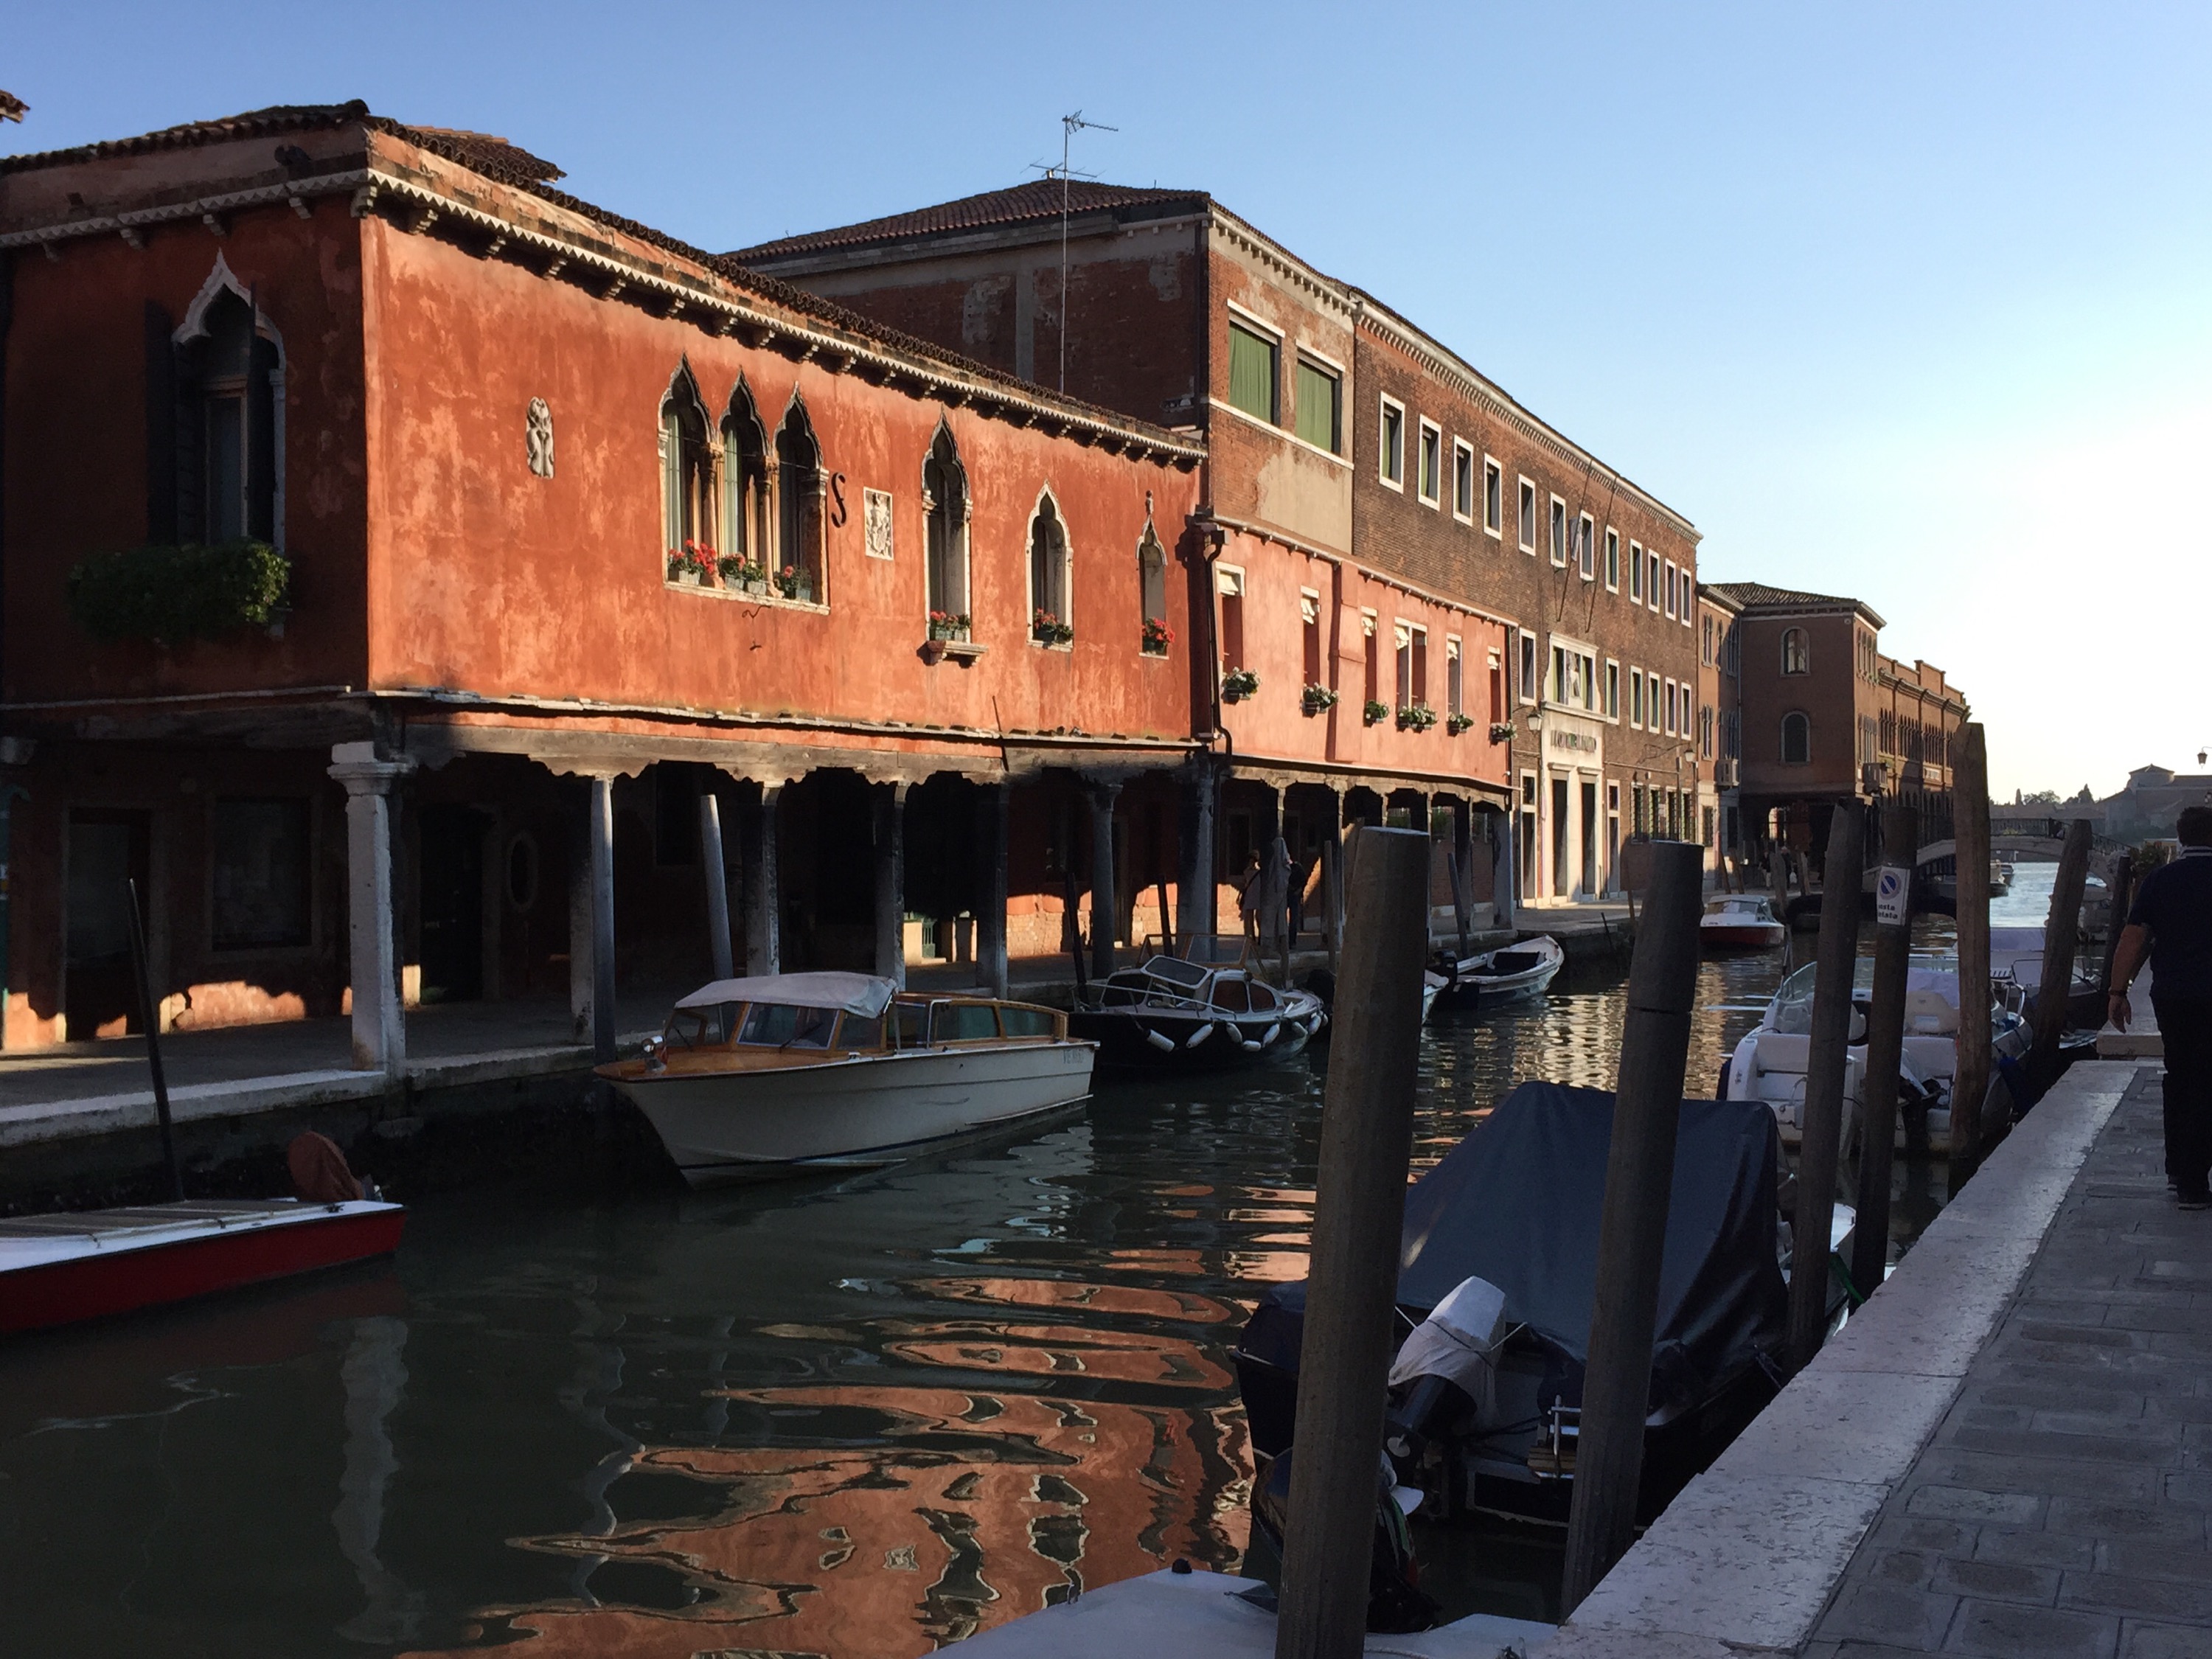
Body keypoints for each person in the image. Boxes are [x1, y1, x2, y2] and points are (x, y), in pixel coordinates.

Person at [2109, 804, 2212, 1209]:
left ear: (2181, 837)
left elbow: (2132, 938)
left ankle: (2177, 1168)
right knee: (2206, 1081)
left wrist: (2117, 992)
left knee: (2180, 1075)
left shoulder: (2159, 880)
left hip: (2172, 993)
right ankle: (2193, 1182)